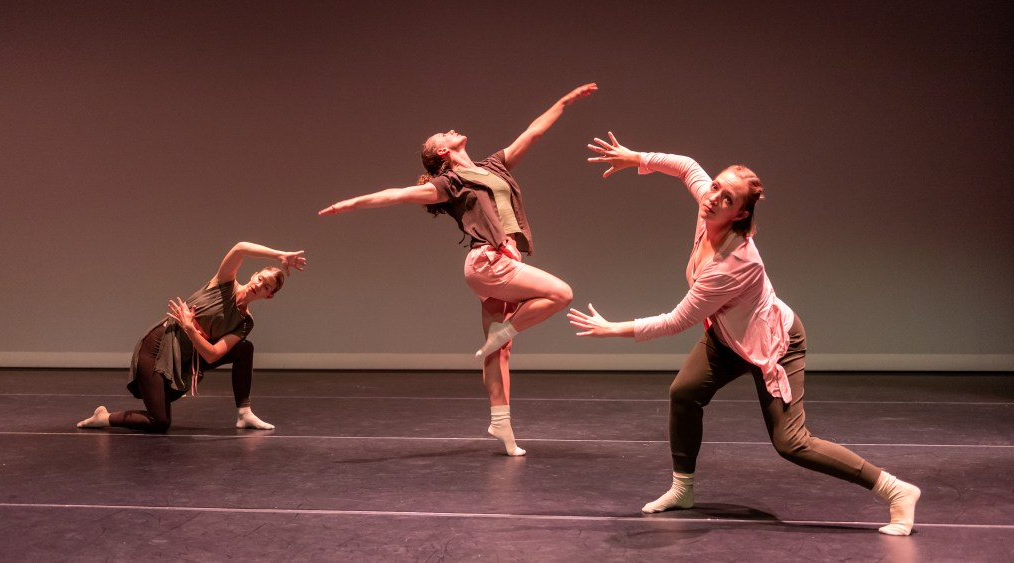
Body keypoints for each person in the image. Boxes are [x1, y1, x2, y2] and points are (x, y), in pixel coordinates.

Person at [568, 132, 921, 536]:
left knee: (791, 442)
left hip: (773, 344)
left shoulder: (734, 263)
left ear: (739, 214)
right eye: (716, 188)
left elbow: (676, 320)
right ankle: (682, 489)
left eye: (727, 199)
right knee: (684, 392)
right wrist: (636, 157)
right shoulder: (708, 207)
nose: (714, 197)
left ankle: (895, 490)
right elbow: (686, 166)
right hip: (729, 335)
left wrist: (612, 329)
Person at [319, 83, 597, 456]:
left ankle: (501, 425)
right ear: (442, 151)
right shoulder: (449, 184)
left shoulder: (492, 166)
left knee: (498, 353)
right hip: (488, 262)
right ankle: (504, 331)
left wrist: (563, 102)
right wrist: (351, 203)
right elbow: (397, 195)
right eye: (444, 134)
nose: (451, 130)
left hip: (501, 261)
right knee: (561, 294)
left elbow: (532, 133)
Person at [77, 242, 306, 433]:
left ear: (269, 296)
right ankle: (103, 417)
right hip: (159, 347)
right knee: (160, 422)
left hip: (188, 357)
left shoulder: (245, 322)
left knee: (245, 349)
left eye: (266, 287)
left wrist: (190, 328)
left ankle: (244, 413)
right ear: (254, 275)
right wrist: (280, 255)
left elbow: (213, 354)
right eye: (261, 279)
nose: (259, 285)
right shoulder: (224, 283)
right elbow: (240, 248)